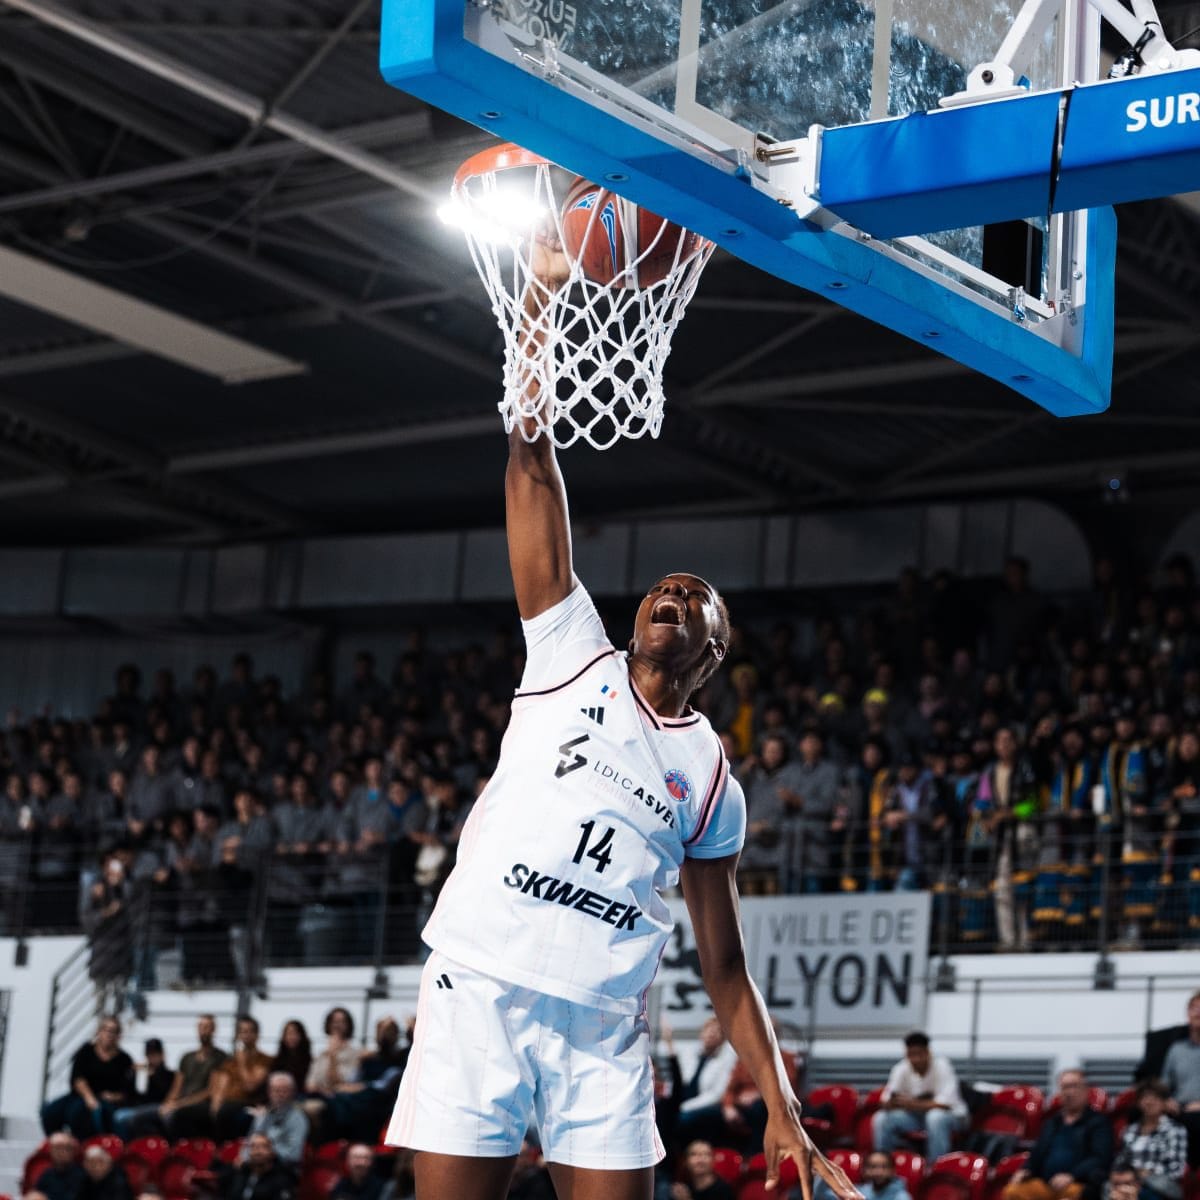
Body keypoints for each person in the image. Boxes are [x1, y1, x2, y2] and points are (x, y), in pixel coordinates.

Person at [384, 239, 858, 1200]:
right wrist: (539, 309)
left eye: (698, 596)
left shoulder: (714, 777)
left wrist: (780, 1102)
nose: (673, 593)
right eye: (663, 586)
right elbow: (529, 461)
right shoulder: (568, 653)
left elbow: (726, 968)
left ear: (714, 652)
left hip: (603, 1023)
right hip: (482, 979)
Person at [114, 1013, 227, 1139]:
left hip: (197, 1105)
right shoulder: (187, 1057)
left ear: (214, 1029)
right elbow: (177, 1086)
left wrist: (180, 1104)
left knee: (171, 1116)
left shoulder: (220, 1057)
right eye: (201, 1026)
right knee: (135, 1119)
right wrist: (168, 1103)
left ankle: (172, 1151)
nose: (203, 1030)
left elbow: (210, 1090)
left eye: (207, 1027)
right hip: (177, 1103)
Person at [1004, 1070, 1112, 1200]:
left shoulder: (1098, 1122)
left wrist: (1072, 1175)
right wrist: (1026, 1169)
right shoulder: (1052, 1123)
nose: (1069, 1092)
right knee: (1012, 1191)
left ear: (1085, 1091)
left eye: (1074, 1086)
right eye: (1065, 1087)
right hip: (1045, 1183)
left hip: (1077, 1184)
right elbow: (1037, 1152)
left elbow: (1100, 1158)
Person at [872, 1031, 967, 1164]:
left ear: (928, 1052)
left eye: (919, 1054)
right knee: (881, 1118)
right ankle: (882, 1166)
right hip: (917, 1117)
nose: (915, 1059)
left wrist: (911, 1103)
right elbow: (884, 1101)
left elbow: (944, 1104)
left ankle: (935, 1166)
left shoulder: (942, 1066)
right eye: (911, 1055)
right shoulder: (901, 1068)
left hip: (953, 1117)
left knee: (935, 1116)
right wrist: (893, 1102)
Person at [41, 1017, 136, 1138]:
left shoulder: (124, 1059)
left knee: (80, 1114)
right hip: (81, 1095)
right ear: (98, 1032)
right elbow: (77, 1077)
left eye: (113, 1031)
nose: (109, 1034)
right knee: (50, 1112)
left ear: (118, 1035)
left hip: (107, 1101)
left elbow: (128, 1091)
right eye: (105, 1030)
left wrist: (113, 1096)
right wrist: (89, 1098)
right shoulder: (86, 1051)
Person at [1109, 1079, 1187, 1200]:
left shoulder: (1175, 1130)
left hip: (1159, 1187)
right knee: (1114, 1191)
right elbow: (1120, 1161)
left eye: (1155, 1098)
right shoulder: (1130, 1130)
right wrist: (1121, 1174)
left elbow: (1176, 1170)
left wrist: (1142, 1174)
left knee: (1134, 1194)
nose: (1149, 1102)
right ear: (1139, 1103)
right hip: (1127, 1182)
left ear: (1165, 1102)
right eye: (1145, 1098)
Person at [1161, 992, 1200, 1165]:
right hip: (1179, 1111)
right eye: (1194, 1008)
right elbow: (1164, 1085)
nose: (1198, 1012)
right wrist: (1166, 1100)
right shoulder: (1176, 1049)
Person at [244, 1073, 309, 1172]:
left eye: (284, 1090)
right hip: (256, 1165)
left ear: (292, 1093)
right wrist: (244, 1158)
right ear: (269, 1092)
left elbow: (293, 1155)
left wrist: (268, 1150)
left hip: (282, 1169)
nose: (280, 1094)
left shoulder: (298, 1119)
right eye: (276, 1090)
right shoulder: (262, 1115)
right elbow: (249, 1141)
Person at [819, 1151, 913, 1200]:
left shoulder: (901, 1196)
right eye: (872, 1167)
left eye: (884, 1167)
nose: (878, 1172)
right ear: (864, 1171)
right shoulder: (860, 1191)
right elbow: (827, 1196)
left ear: (893, 1171)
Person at [225, 1135, 295, 1200]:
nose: (257, 1150)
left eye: (263, 1146)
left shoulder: (282, 1179)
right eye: (253, 1146)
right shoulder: (240, 1174)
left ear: (272, 1152)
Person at [28, 1132, 85, 1200]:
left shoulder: (81, 1176)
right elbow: (36, 1193)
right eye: (57, 1149)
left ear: (72, 1151)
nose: (60, 1153)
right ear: (51, 1151)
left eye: (65, 1148)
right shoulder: (47, 1175)